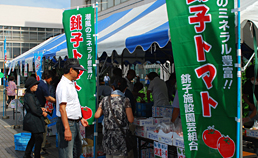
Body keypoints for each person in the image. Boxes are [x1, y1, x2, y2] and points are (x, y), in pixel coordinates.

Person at [56, 58, 89, 158]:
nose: (79, 73)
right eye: (77, 70)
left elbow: (72, 104)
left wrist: (80, 118)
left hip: (74, 122)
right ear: (71, 70)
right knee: (67, 153)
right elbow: (62, 108)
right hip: (67, 123)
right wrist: (66, 128)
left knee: (76, 150)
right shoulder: (63, 85)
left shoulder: (70, 83)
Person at [95, 76, 134, 157]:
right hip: (120, 138)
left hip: (107, 137)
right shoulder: (126, 100)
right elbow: (130, 119)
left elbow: (97, 115)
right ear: (125, 89)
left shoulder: (105, 99)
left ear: (113, 87)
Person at [23, 77, 48, 158]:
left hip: (35, 118)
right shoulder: (29, 96)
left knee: (34, 138)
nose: (37, 87)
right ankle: (36, 155)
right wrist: (42, 112)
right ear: (31, 86)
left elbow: (33, 107)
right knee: (39, 138)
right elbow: (33, 109)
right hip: (33, 120)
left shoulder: (31, 95)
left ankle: (27, 154)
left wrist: (40, 108)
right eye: (35, 85)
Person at [35, 70, 56, 155]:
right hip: (40, 109)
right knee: (43, 129)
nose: (51, 80)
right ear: (47, 78)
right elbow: (48, 98)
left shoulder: (39, 83)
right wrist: (57, 101)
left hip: (38, 108)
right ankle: (40, 149)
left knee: (40, 130)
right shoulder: (43, 85)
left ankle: (39, 148)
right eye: (50, 78)